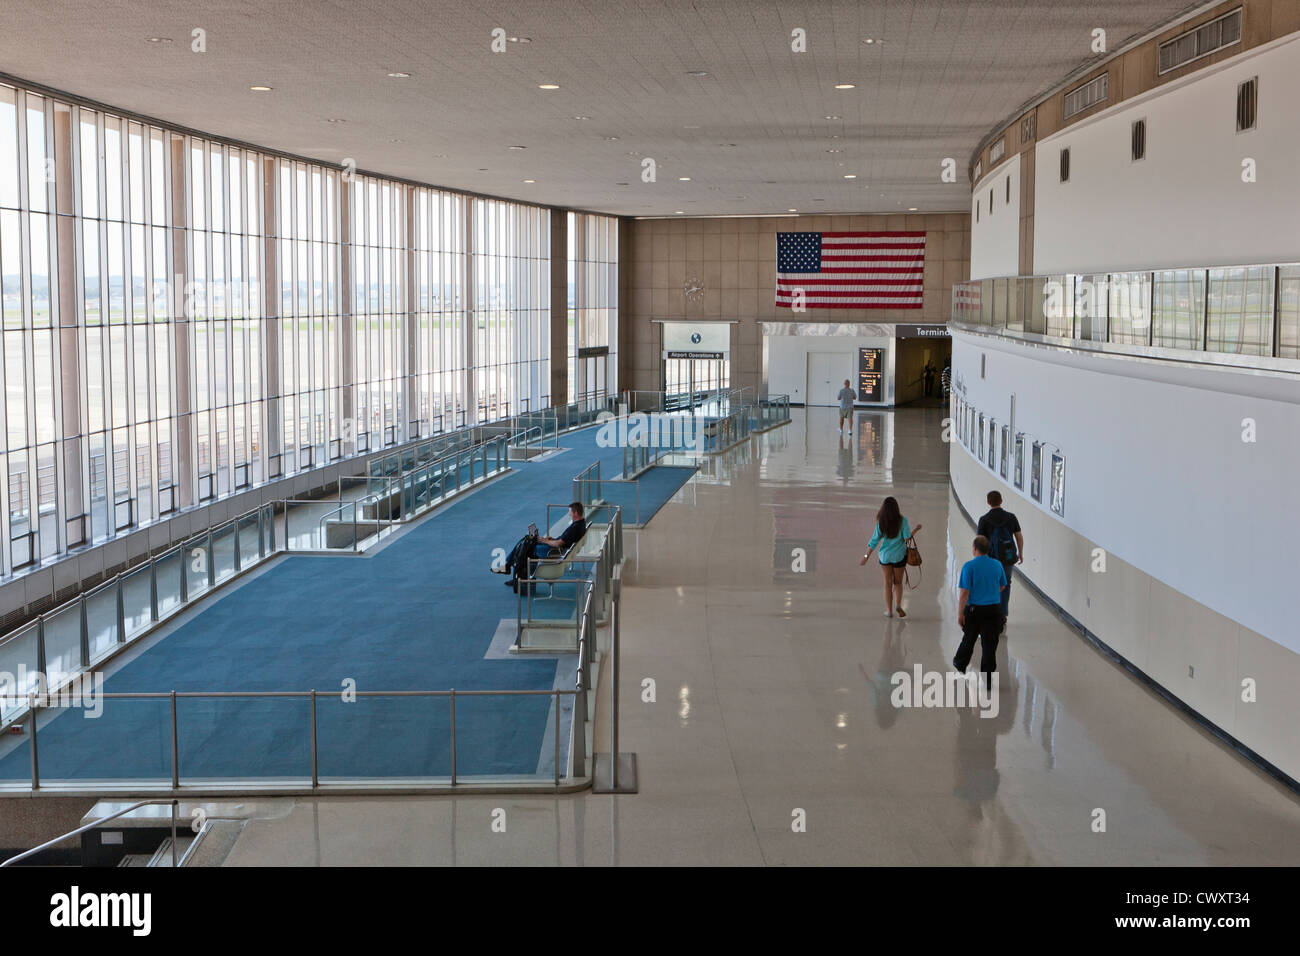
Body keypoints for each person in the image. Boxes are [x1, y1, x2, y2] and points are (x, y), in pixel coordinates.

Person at [953, 535, 1008, 691]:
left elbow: (964, 592)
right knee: (990, 645)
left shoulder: (969, 567)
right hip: (994, 610)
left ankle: (960, 664)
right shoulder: (997, 565)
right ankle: (988, 679)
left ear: (975, 548)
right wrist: (990, 591)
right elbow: (1003, 585)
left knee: (969, 639)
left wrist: (960, 613)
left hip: (974, 610)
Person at [493, 502, 587, 592]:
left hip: (554, 550)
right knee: (526, 541)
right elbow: (563, 540)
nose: (569, 514)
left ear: (576, 513)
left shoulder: (575, 528)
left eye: (570, 512)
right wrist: (549, 539)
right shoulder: (581, 524)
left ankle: (512, 571)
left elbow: (559, 544)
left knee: (526, 546)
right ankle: (512, 571)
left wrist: (544, 540)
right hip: (557, 547)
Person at [859, 496, 921, 618]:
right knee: (898, 582)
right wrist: (916, 530)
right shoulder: (903, 521)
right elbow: (907, 538)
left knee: (887, 583)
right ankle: (898, 605)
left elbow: (874, 541)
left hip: (885, 557)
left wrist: (866, 556)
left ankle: (889, 611)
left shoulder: (881, 522)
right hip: (899, 556)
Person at [977, 490, 1023, 625]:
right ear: (1001, 501)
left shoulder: (984, 519)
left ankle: (990, 613)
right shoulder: (1011, 517)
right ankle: (1002, 614)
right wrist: (1020, 553)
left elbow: (980, 541)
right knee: (1006, 583)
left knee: (990, 584)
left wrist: (980, 559)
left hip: (990, 558)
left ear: (988, 502)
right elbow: (1019, 537)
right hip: (1008, 558)